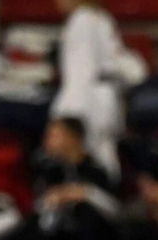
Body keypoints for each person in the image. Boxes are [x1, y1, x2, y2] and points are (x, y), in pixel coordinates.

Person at [51, 0, 144, 176]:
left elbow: (80, 72)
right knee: (105, 158)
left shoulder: (82, 20)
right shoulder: (102, 18)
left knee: (92, 162)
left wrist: (66, 114)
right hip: (102, 102)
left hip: (85, 106)